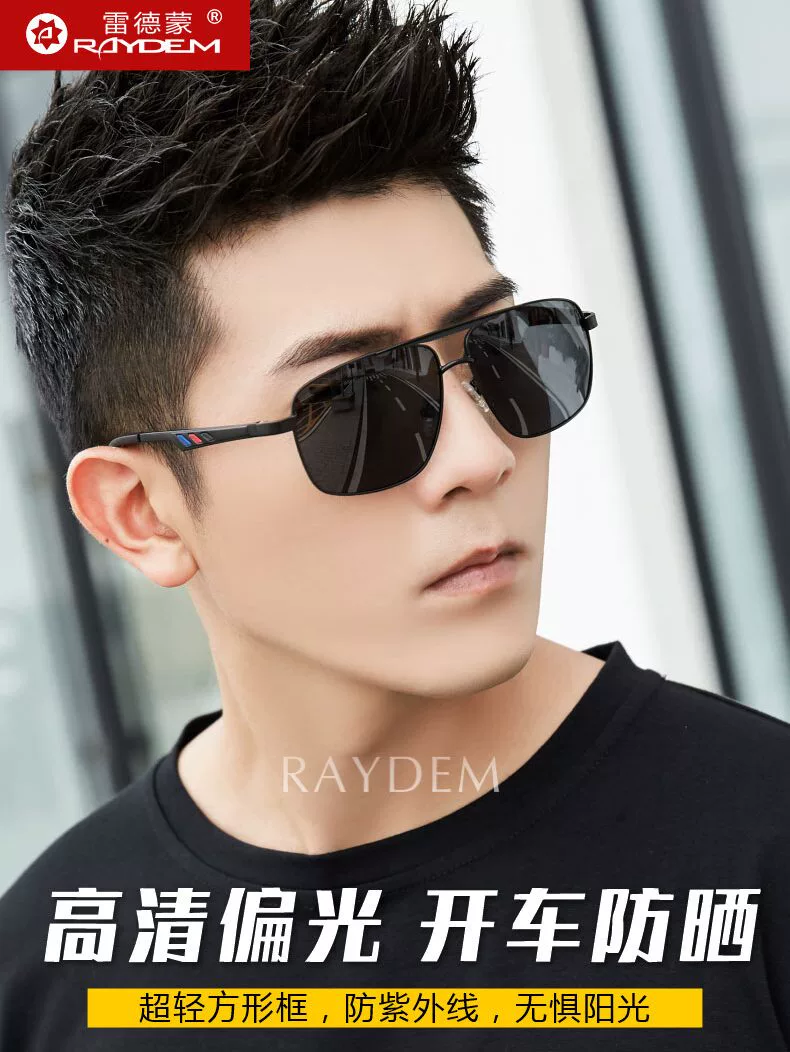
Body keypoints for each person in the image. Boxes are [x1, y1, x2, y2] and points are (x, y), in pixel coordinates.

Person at [2, 0, 790, 1048]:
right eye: (359, 407)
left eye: (503, 352)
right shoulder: (46, 978)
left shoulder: (761, 855)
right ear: (141, 513)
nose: (480, 456)